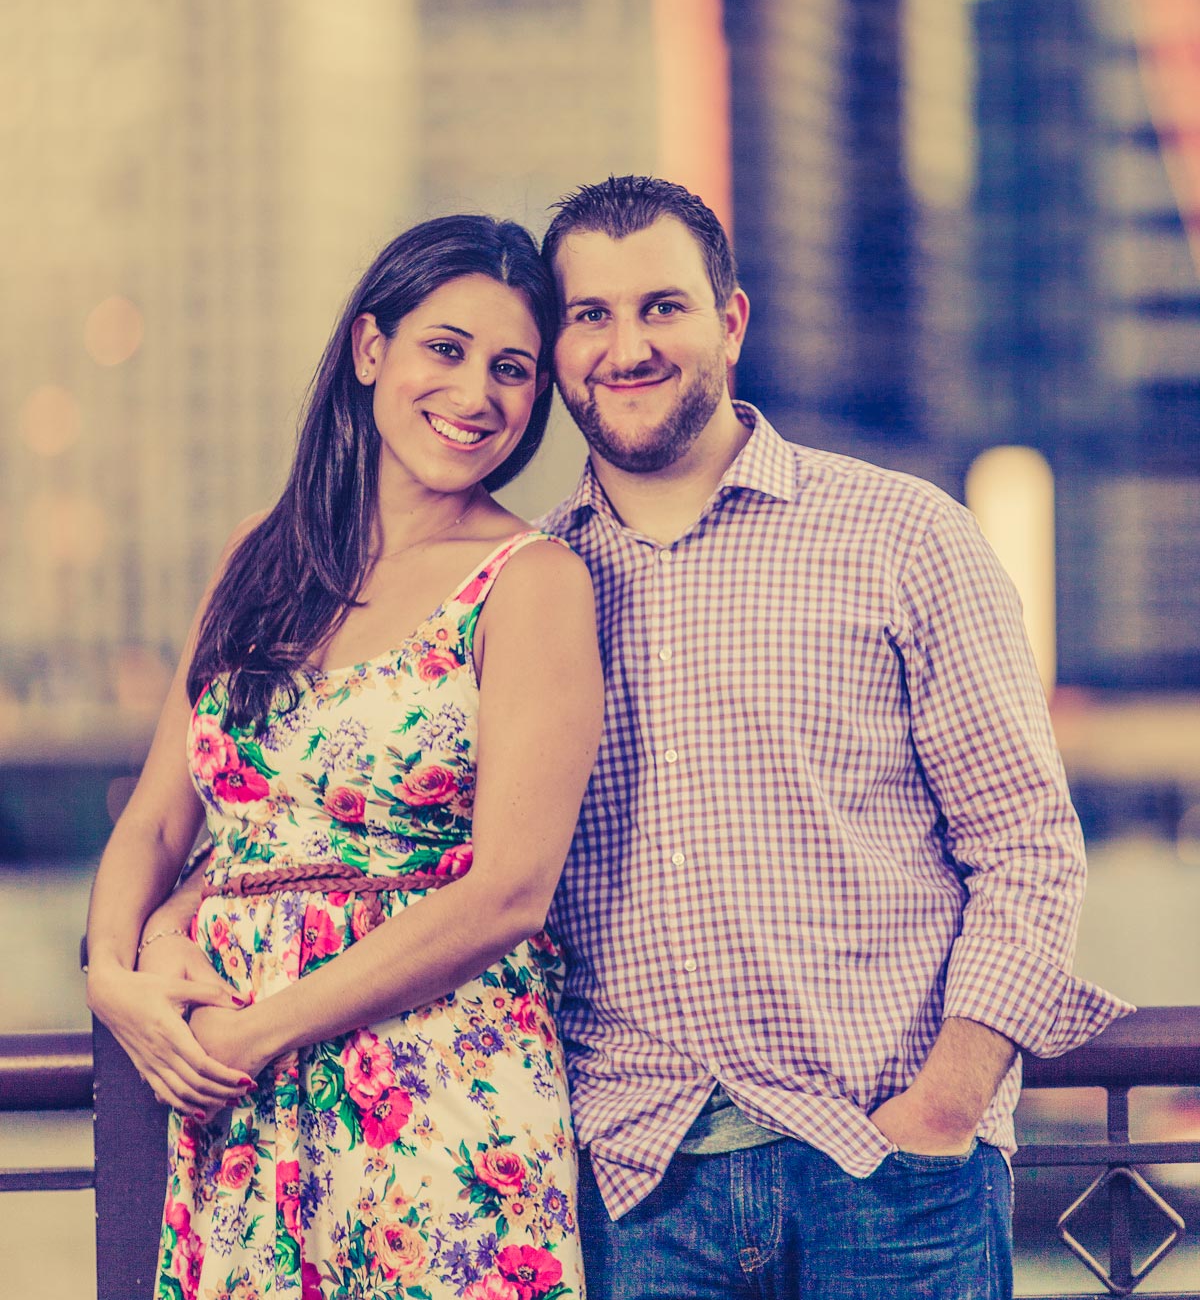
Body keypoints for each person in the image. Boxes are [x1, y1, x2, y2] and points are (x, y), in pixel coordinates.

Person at [535, 174, 1130, 1300]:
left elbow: (1026, 844)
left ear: (732, 321)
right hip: (636, 1193)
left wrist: (945, 1105)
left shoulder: (903, 535)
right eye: (590, 315)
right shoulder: (525, 586)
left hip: (892, 1179)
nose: (628, 345)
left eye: (663, 306)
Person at [86, 214, 604, 1300]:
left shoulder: (531, 578)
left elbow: (510, 891)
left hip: (437, 1086)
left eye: (512, 370)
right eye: (445, 349)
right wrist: (113, 977)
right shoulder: (261, 553)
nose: (476, 397)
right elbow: (160, 817)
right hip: (235, 1102)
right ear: (372, 349)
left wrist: (255, 1034)